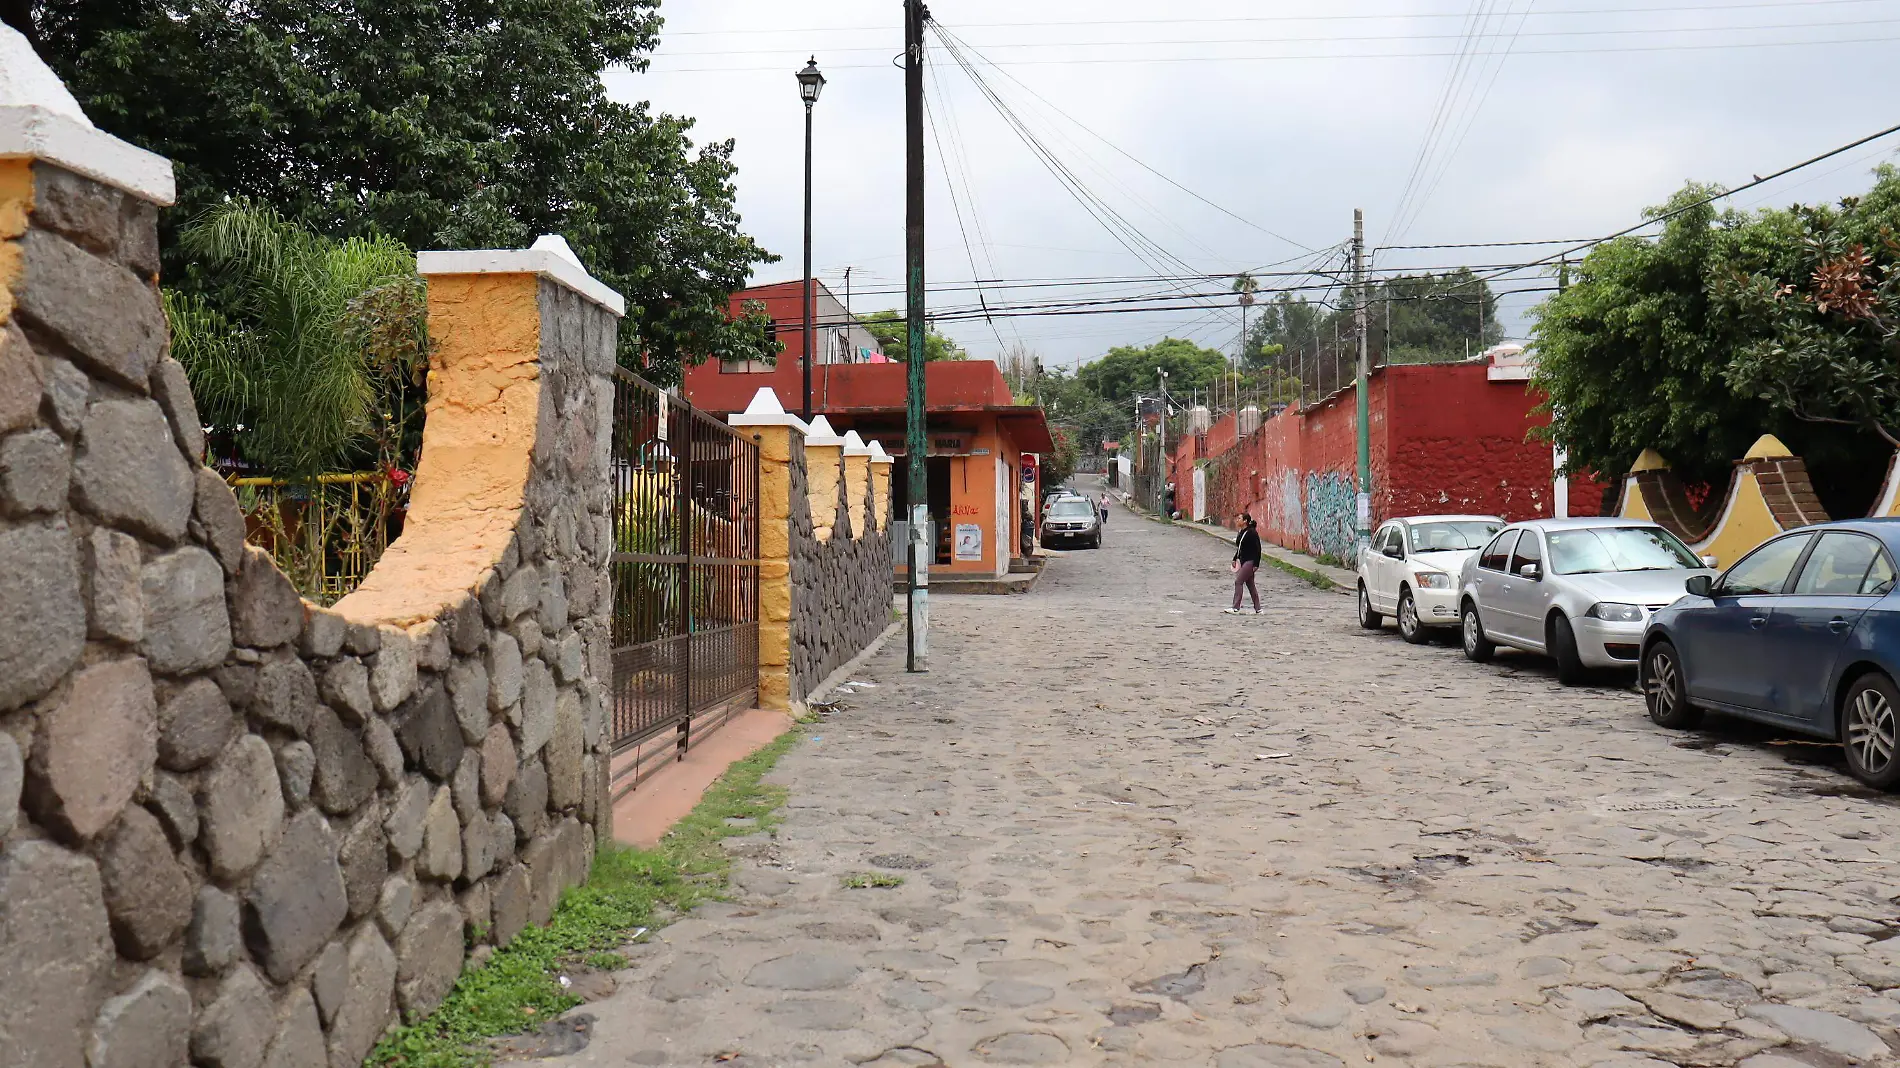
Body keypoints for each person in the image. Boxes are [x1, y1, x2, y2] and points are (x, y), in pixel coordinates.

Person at [1227, 512, 1262, 614]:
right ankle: (1258, 609)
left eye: (1239, 518)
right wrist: (1235, 558)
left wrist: (1256, 564)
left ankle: (1235, 607)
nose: (1237, 520)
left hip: (1250, 561)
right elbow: (1240, 548)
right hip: (1242, 560)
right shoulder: (1241, 532)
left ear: (1245, 521)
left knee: (1238, 581)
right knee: (1250, 585)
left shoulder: (1252, 532)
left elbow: (1258, 549)